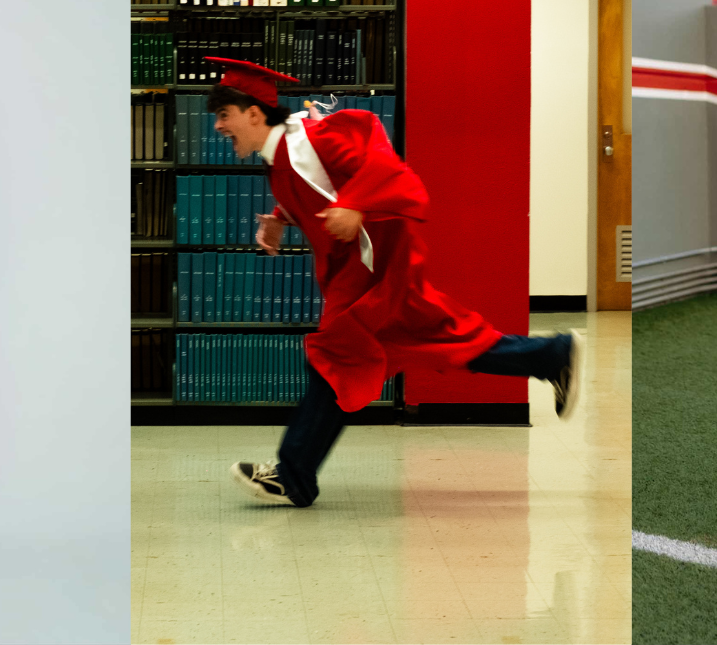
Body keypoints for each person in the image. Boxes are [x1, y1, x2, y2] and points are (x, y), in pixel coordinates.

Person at [203, 57, 583, 508]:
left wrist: (358, 203)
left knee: (333, 359)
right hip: (363, 274)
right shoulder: (282, 155)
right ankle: (551, 355)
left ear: (253, 113)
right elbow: (317, 188)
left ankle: (294, 474)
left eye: (224, 115)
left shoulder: (312, 141)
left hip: (376, 272)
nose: (219, 127)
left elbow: (386, 165)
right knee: (444, 341)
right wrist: (282, 219)